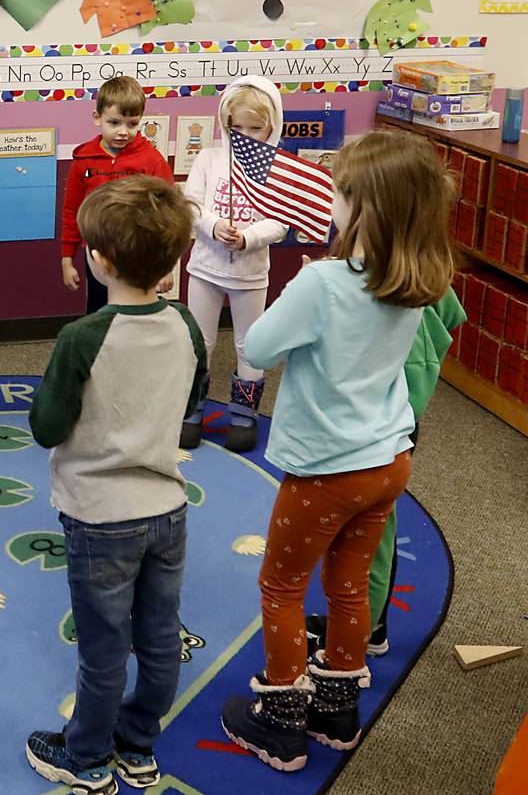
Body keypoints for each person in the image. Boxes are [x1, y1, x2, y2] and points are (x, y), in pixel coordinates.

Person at [220, 130, 455, 771]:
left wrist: (304, 298)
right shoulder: (419, 277)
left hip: (328, 468)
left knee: (282, 586)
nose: (332, 203)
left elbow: (259, 350)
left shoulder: (324, 283)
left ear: (366, 208)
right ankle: (337, 711)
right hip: (388, 460)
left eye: (341, 194)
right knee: (348, 585)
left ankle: (283, 721)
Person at [25, 176, 207, 795]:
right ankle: (139, 747)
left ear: (98, 261)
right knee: (159, 638)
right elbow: (194, 404)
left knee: (103, 648)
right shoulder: (187, 326)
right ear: (174, 260)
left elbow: (48, 426)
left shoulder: (83, 336)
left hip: (99, 515)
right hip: (167, 506)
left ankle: (86, 757)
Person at [305, 284, 465, 661]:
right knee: (370, 529)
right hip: (393, 420)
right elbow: (452, 314)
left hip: (381, 426)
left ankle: (363, 633)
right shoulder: (421, 267)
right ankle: (365, 625)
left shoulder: (392, 283)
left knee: (371, 532)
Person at [180, 75, 289, 452]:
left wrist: (248, 237)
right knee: (199, 342)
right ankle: (190, 410)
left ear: (272, 125)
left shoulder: (277, 167)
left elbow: (280, 222)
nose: (243, 135)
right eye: (235, 127)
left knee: (250, 345)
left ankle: (243, 416)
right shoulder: (209, 159)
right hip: (205, 269)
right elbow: (190, 205)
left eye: (254, 127)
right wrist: (212, 225)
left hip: (250, 274)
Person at [61, 77, 175, 314]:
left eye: (132, 124)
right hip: (97, 249)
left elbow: (169, 216)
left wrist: (166, 266)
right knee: (99, 310)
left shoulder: (151, 161)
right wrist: (66, 258)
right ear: (97, 118)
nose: (123, 132)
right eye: (114, 123)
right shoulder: (83, 161)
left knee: (136, 310)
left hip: (138, 249)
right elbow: (72, 211)